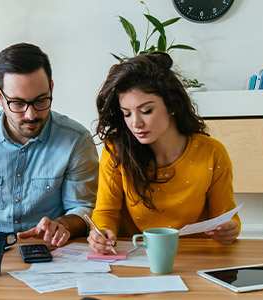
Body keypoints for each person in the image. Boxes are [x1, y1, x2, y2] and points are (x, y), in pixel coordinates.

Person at [0, 43, 98, 247]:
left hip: (48, 252)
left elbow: (84, 208)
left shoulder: (76, 140)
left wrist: (62, 225)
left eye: (41, 100)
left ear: (51, 88)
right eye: (17, 103)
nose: (31, 115)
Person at [88, 52, 241, 254]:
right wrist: (102, 233)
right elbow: (106, 212)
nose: (135, 123)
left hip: (194, 257)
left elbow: (226, 215)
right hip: (134, 256)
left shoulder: (211, 152)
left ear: (172, 106)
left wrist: (231, 229)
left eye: (146, 111)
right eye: (127, 113)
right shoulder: (116, 150)